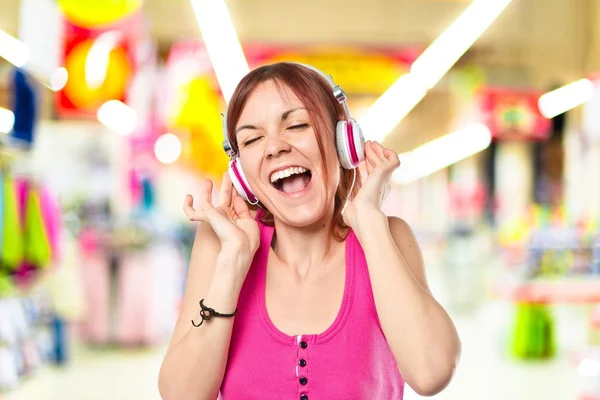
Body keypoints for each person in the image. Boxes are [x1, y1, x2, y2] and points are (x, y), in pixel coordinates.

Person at [158, 62, 461, 400]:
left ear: (344, 142)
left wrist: (369, 222)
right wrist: (232, 264)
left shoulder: (387, 237)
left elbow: (432, 372)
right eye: (253, 138)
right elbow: (180, 396)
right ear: (242, 173)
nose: (275, 147)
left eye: (297, 125)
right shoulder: (220, 246)